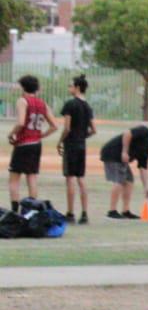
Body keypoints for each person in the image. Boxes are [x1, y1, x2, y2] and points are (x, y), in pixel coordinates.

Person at [7, 75, 58, 211]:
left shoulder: (22, 101)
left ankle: (14, 210)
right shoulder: (43, 103)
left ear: (23, 87)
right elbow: (54, 125)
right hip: (36, 143)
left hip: (23, 143)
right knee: (32, 176)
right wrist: (41, 135)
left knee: (14, 178)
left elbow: (21, 122)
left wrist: (12, 133)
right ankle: (32, 209)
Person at [100, 124, 148, 220]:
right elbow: (127, 134)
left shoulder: (146, 150)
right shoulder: (145, 131)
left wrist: (146, 187)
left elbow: (143, 168)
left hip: (121, 158)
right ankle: (111, 212)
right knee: (119, 180)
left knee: (129, 181)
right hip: (113, 153)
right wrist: (124, 152)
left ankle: (125, 211)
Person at [57, 74, 97, 224]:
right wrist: (82, 136)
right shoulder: (88, 106)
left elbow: (66, 128)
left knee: (70, 179)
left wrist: (60, 141)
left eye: (71, 85)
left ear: (77, 87)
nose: (69, 88)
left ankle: (70, 212)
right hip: (81, 145)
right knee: (81, 178)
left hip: (71, 145)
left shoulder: (70, 104)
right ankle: (85, 213)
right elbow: (94, 129)